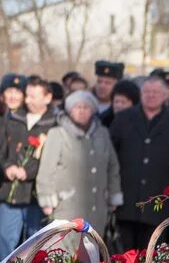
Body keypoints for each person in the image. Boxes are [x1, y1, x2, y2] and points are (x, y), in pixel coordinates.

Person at [110, 73, 169, 251]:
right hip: (126, 199)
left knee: (153, 255)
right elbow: (110, 157)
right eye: (147, 91)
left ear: (165, 95)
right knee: (124, 256)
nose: (151, 95)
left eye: (156, 92)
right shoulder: (124, 118)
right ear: (140, 94)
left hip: (159, 201)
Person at [36, 90, 121, 242]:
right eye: (77, 107)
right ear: (69, 110)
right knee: (65, 251)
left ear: (93, 110)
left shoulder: (102, 133)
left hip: (97, 205)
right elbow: (46, 170)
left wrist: (114, 194)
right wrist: (47, 199)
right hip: (67, 205)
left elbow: (112, 166)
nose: (81, 111)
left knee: (92, 251)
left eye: (86, 107)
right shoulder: (58, 134)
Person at [0, 76, 57, 261]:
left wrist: (28, 172)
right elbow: (0, 150)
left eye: (33, 96)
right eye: (26, 95)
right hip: (10, 191)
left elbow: (53, 160)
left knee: (34, 246)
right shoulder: (13, 118)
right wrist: (6, 167)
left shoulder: (54, 124)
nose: (26, 100)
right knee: (3, 240)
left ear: (47, 97)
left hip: (36, 195)